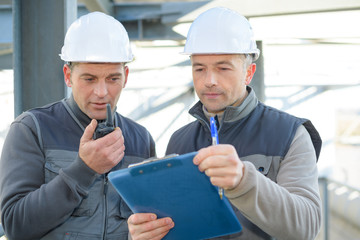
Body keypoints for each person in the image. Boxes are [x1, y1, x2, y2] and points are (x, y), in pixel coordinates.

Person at [127, 7, 322, 240]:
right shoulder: (179, 139)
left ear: (249, 72)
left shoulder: (290, 134)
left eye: (223, 68)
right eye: (199, 68)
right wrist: (146, 232)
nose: (209, 81)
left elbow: (307, 227)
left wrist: (243, 180)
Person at [0, 12, 155, 239]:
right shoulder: (33, 129)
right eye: (89, 79)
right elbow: (15, 225)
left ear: (126, 76)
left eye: (113, 78)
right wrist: (83, 170)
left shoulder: (141, 140)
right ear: (68, 76)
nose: (102, 93)